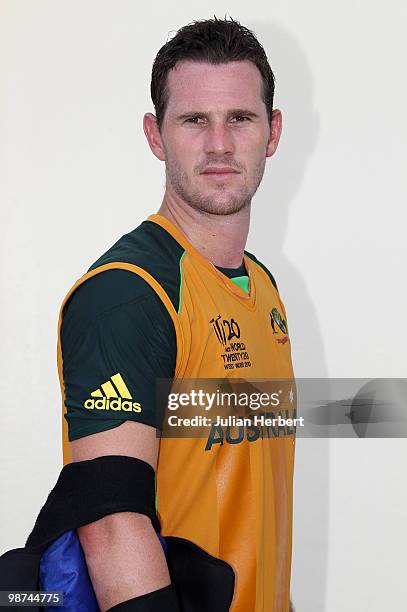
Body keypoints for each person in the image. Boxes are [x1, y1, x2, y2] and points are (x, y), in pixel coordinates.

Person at [58, 16, 295, 612]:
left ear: (272, 131)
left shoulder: (262, 288)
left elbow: (256, 494)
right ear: (155, 136)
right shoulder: (128, 294)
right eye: (194, 120)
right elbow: (111, 524)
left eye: (239, 118)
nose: (219, 143)